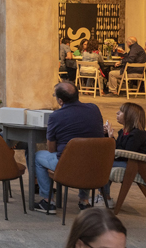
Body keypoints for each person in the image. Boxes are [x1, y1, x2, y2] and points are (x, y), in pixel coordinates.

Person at [34, 81, 104, 213]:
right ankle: (84, 201)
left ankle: (48, 201)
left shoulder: (55, 116)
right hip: (94, 165)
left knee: (38, 156)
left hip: (67, 166)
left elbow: (51, 149)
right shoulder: (94, 109)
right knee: (85, 153)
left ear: (60, 100)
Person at [98, 102, 146, 207]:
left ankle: (105, 197)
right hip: (127, 163)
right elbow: (118, 150)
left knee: (102, 164)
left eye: (121, 112)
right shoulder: (124, 132)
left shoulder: (138, 134)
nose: (117, 113)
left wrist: (111, 139)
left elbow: (124, 154)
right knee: (102, 161)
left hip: (136, 166)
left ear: (129, 116)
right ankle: (104, 196)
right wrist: (107, 135)